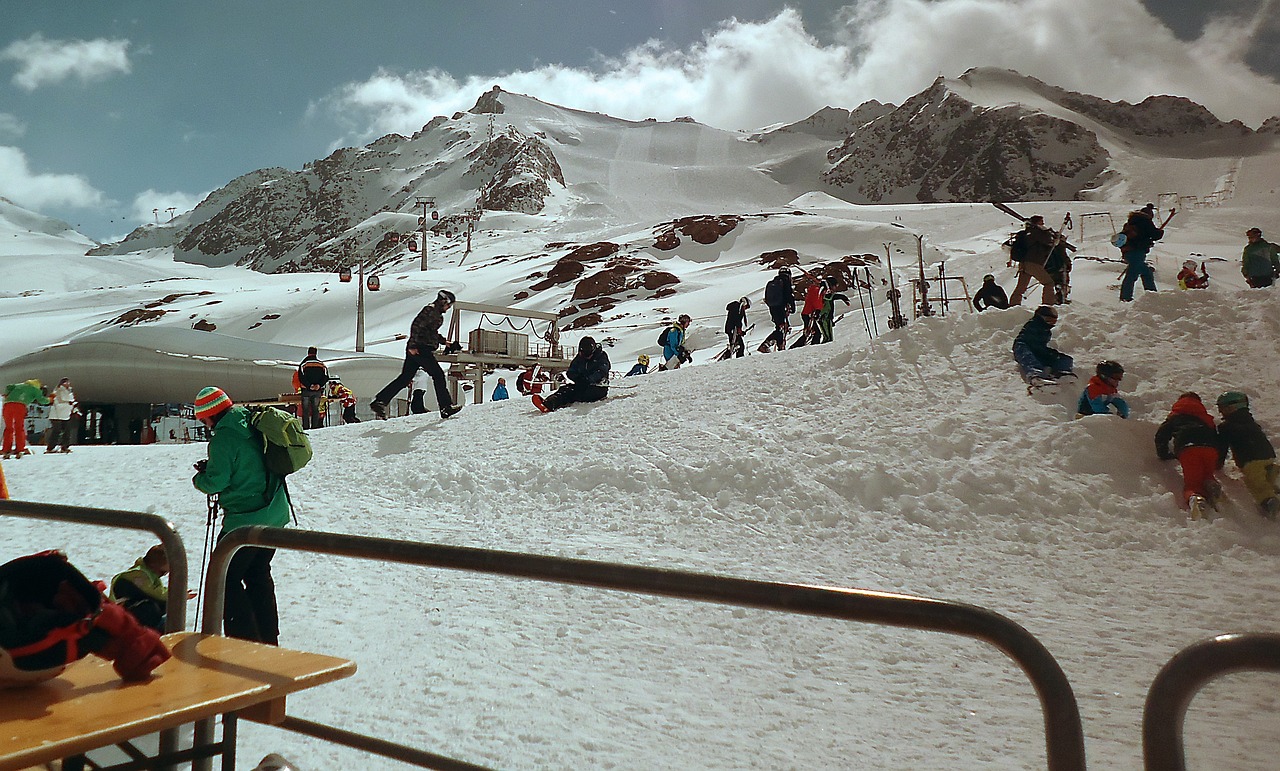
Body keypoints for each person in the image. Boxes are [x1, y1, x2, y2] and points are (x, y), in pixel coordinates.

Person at [191, 387, 290, 644]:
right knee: (257, 573)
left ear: (211, 415)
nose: (205, 424)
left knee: (224, 577)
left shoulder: (224, 437)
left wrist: (200, 478)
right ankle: (268, 638)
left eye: (204, 419)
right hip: (275, 514)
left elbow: (216, 481)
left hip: (244, 521)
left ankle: (243, 640)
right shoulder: (252, 421)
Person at [370, 290, 463, 420]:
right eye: (449, 305)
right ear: (443, 301)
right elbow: (416, 327)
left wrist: (445, 342)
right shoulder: (430, 310)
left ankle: (380, 401)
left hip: (417, 348)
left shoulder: (435, 313)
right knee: (438, 375)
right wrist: (413, 346)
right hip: (420, 349)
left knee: (405, 378)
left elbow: (430, 332)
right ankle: (445, 407)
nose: (448, 308)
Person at [1155, 392, 1224, 517]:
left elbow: (1162, 435)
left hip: (1188, 448)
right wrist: (1219, 459)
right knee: (1207, 473)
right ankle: (1210, 483)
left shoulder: (1175, 416)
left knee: (1193, 482)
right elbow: (1217, 436)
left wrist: (1163, 453)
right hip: (1210, 448)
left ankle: (1195, 498)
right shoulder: (1206, 418)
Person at [1215, 391, 1280, 518]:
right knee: (1264, 471)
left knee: (1255, 482)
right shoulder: (1251, 422)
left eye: (1222, 408)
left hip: (1249, 459)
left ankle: (1268, 500)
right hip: (1267, 454)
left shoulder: (1226, 427)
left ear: (1232, 407)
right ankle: (1274, 472)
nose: (1220, 412)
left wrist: (1218, 464)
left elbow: (1222, 447)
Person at [109, 544, 178, 632]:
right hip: (125, 617)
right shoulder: (139, 575)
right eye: (163, 572)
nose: (164, 575)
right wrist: (178, 595)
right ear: (153, 565)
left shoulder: (149, 575)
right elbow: (156, 594)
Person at [532, 337, 611, 412]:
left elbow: (602, 371)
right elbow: (571, 371)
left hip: (598, 387)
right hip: (582, 385)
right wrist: (578, 378)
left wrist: (588, 379)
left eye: (588, 355)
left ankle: (551, 404)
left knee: (573, 393)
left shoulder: (601, 356)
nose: (586, 357)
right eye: (583, 354)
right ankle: (549, 402)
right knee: (565, 389)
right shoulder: (580, 358)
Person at [1012, 306, 1073, 386]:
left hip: (1038, 351)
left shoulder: (1047, 331)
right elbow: (1029, 340)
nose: (1051, 323)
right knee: (1028, 356)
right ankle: (1036, 374)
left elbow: (1041, 347)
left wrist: (1049, 354)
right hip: (1024, 347)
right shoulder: (1033, 324)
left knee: (1064, 358)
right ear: (1041, 317)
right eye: (1049, 320)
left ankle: (1061, 373)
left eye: (1054, 321)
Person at [1008, 216, 1059, 306]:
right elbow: (1048, 241)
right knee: (1048, 283)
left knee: (1020, 288)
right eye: (1041, 222)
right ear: (1037, 223)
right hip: (1033, 262)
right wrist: (1049, 233)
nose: (1043, 223)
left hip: (1023, 263)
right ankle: (1048, 305)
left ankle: (1013, 306)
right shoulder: (1037, 232)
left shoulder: (1027, 232)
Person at [1118, 204, 1162, 301]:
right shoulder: (1146, 221)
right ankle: (1126, 298)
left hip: (1128, 252)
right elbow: (1155, 235)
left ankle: (1151, 294)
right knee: (1132, 274)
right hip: (1137, 252)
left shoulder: (1130, 222)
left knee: (1147, 273)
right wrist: (1160, 232)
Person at [2, 380, 49, 459]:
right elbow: (42, 400)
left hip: (7, 405)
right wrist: (50, 400)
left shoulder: (19, 385)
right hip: (20, 406)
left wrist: (7, 394)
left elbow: (9, 386)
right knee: (19, 428)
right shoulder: (35, 389)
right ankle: (20, 449)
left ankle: (6, 449)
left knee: (9, 428)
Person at [761, 267, 795, 352]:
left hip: (773, 307)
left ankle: (780, 346)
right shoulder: (785, 281)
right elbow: (788, 295)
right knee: (781, 327)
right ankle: (766, 344)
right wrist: (792, 306)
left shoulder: (773, 282)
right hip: (780, 306)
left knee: (779, 326)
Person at [296, 347, 328, 430]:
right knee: (315, 409)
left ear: (308, 353)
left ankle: (306, 428)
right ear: (316, 353)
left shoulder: (303, 364)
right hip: (317, 391)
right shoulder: (321, 364)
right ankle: (315, 427)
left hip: (306, 390)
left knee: (305, 410)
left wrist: (309, 385)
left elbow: (301, 377)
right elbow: (326, 377)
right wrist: (319, 385)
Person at [45, 377, 77, 453]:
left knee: (66, 430)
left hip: (65, 413)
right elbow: (60, 402)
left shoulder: (68, 391)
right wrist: (70, 405)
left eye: (68, 382)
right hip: (57, 414)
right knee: (57, 431)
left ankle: (65, 446)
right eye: (66, 382)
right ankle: (51, 447)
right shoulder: (58, 390)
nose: (67, 384)